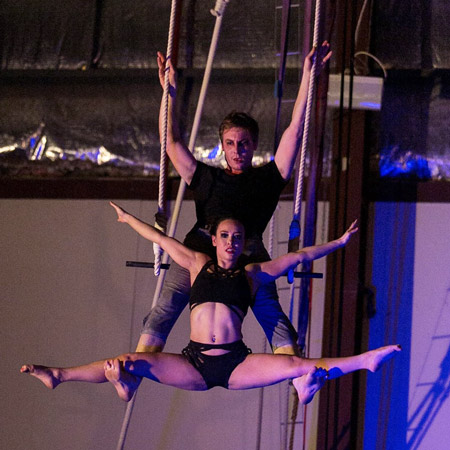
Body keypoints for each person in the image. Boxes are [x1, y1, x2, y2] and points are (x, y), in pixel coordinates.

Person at [21, 203, 401, 402]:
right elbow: (162, 239)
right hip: (194, 362)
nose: (231, 243)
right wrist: (127, 219)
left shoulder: (253, 274)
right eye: (225, 236)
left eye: (238, 238)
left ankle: (364, 361)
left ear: (243, 243)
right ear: (215, 240)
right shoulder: (195, 263)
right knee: (125, 362)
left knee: (295, 364)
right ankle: (60, 376)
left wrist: (338, 243)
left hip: (237, 362)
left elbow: (299, 257)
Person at [138, 43, 333, 403]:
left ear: (253, 145)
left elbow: (294, 131)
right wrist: (168, 93)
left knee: (271, 313)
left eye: (243, 144)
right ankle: (138, 368)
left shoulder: (267, 178)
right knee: (166, 307)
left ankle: (298, 377)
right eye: (230, 143)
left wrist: (308, 77)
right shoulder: (207, 177)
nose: (237, 150)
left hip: (248, 253)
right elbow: (172, 144)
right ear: (222, 147)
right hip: (199, 251)